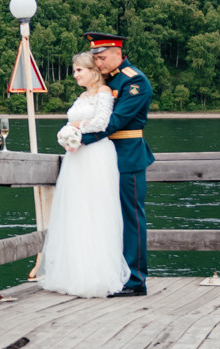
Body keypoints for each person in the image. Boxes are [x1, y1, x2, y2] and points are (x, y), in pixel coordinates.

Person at [39, 53, 130, 297]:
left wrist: (74, 128)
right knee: (76, 209)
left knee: (95, 209)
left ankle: (96, 275)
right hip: (76, 157)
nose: (75, 75)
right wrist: (66, 135)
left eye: (79, 70)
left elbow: (102, 123)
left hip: (96, 154)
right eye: (74, 70)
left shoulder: (104, 92)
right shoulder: (82, 96)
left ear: (93, 71)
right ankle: (73, 273)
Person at [84, 31, 153, 296]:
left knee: (130, 218)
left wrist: (79, 138)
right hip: (103, 157)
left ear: (118, 53)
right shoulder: (105, 80)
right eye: (95, 58)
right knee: (107, 216)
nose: (98, 63)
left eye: (102, 58)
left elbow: (116, 122)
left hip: (127, 156)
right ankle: (114, 274)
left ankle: (135, 281)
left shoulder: (134, 82)